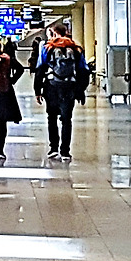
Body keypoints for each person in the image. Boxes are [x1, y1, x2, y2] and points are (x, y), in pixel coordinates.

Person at [34, 23, 90, 162]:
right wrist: (80, 90)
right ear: (66, 32)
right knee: (66, 120)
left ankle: (53, 148)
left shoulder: (47, 48)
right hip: (69, 87)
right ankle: (65, 151)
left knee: (51, 118)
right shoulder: (76, 48)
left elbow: (40, 69)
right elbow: (84, 70)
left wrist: (38, 90)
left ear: (54, 33)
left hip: (51, 87)